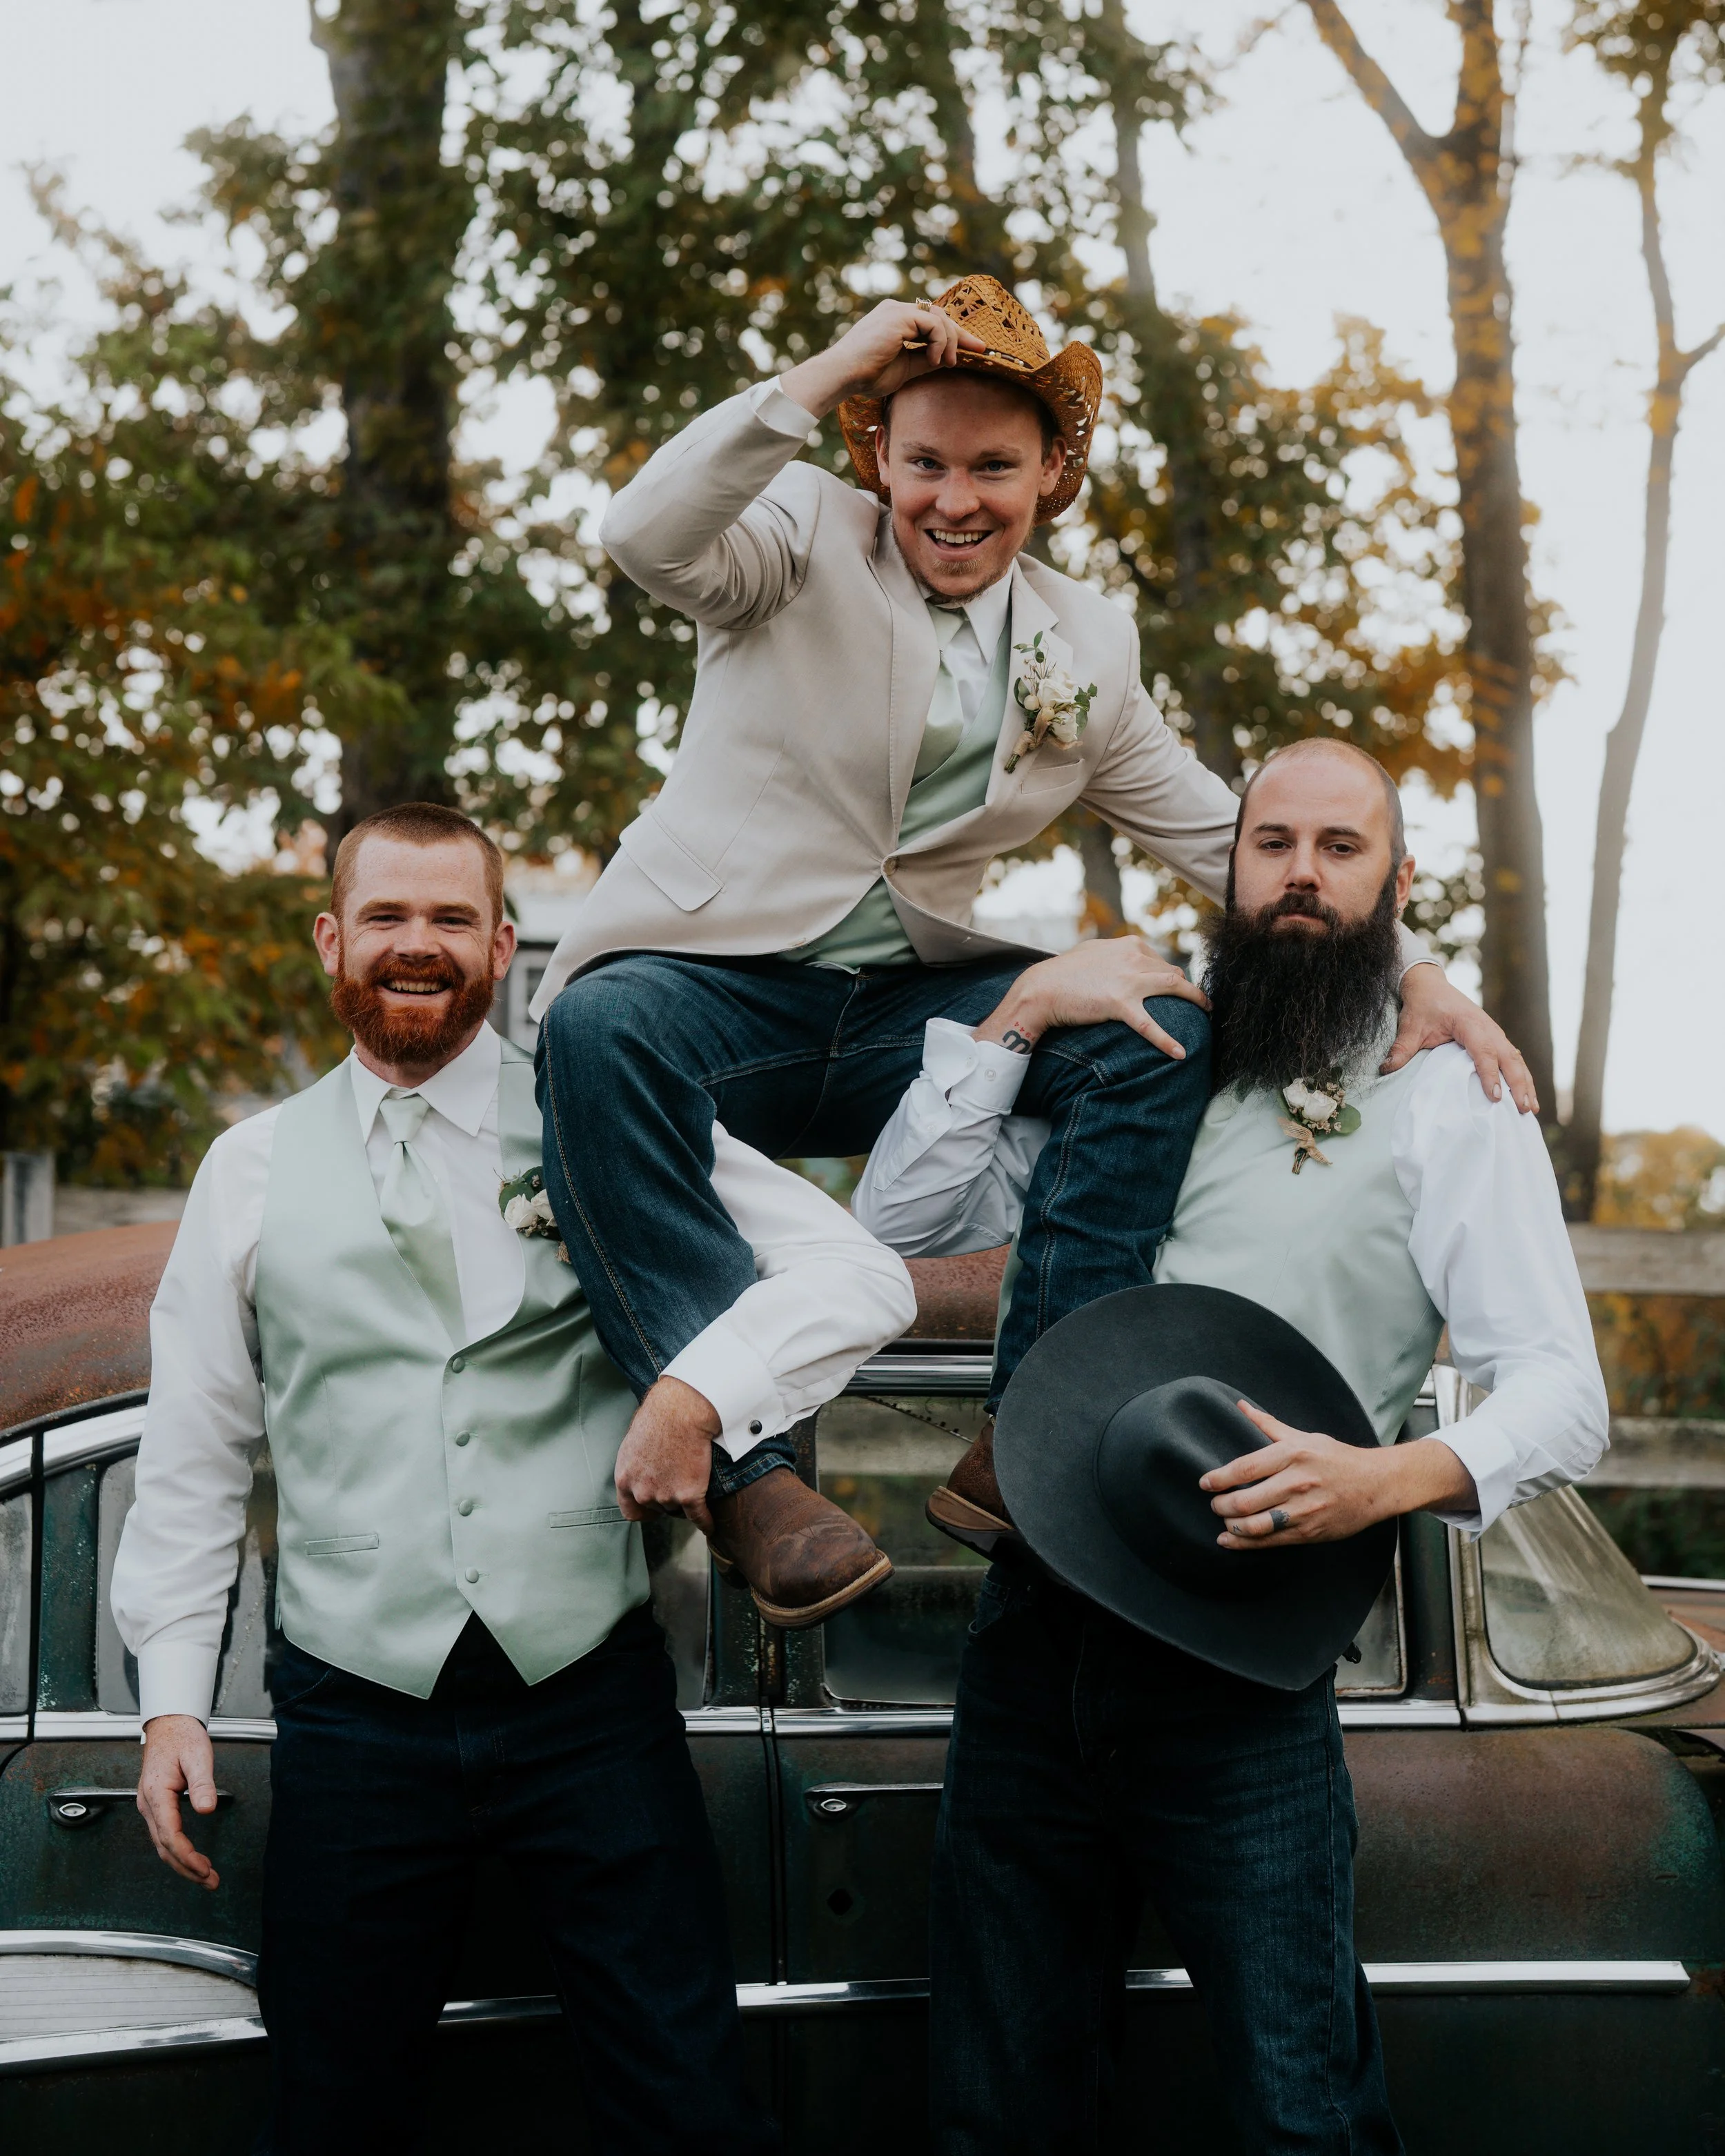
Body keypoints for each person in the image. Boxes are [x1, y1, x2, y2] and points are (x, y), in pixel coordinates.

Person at [526, 274, 1532, 1623]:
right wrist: (838, 361)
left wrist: (1411, 967)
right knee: (594, 1030)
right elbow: (643, 531)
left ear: (1050, 474)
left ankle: (1036, 1419)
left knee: (1153, 1023)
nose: (954, 499)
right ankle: (748, 1475)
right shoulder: (796, 537)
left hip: (903, 1005)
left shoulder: (1085, 642)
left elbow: (1222, 831)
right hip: (714, 984)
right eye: (923, 459)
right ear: (874, 452)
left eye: (992, 466)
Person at [112, 802, 914, 2156]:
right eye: (384, 916)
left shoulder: (601, 1121)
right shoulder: (245, 1171)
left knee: (684, 2095)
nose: (413, 945)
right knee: (333, 2107)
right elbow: (193, 1452)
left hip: (585, 1701)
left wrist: (694, 1390)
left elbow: (861, 1276)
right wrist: (171, 1702)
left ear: (500, 941)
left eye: (445, 918)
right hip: (354, 1713)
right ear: (331, 939)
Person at [853, 738, 1609, 2155]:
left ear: (1394, 880)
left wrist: (1381, 1480)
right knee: (995, 2108)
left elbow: (1561, 1390)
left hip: (1244, 1670)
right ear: (1226, 865)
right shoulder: (1133, 1053)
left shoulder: (1443, 1089)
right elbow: (892, 1234)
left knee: (1298, 2110)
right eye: (1271, 844)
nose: (1300, 876)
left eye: (1339, 847)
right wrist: (1018, 1010)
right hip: (1028, 1640)